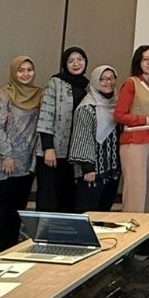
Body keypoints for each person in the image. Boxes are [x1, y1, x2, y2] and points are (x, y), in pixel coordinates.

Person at [0, 56, 41, 253]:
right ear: (14, 72)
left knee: (17, 208)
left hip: (26, 162)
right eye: (21, 70)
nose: (25, 74)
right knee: (1, 208)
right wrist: (7, 155)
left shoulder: (39, 95)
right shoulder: (3, 95)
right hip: (4, 160)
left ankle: (11, 248)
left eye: (29, 69)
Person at [37, 47, 89, 213]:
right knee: (49, 198)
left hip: (74, 153)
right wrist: (48, 147)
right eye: (71, 60)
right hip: (53, 151)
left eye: (80, 59)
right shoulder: (55, 83)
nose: (76, 63)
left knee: (69, 199)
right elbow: (46, 114)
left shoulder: (88, 86)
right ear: (64, 64)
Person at [114, 45, 149, 212]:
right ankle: (132, 233)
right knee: (135, 193)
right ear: (138, 62)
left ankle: (146, 234)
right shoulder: (131, 83)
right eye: (146, 59)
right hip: (134, 143)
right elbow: (119, 115)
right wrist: (148, 119)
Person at [68, 64, 122, 213]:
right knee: (87, 211)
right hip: (91, 171)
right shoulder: (87, 107)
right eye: (103, 79)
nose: (108, 82)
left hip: (111, 169)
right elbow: (82, 138)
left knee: (104, 212)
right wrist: (88, 167)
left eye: (111, 78)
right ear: (95, 82)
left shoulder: (118, 105)